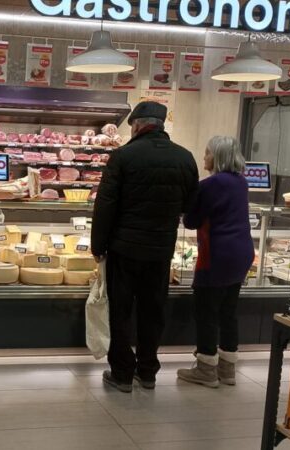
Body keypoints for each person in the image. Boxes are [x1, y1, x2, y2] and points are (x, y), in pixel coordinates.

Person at [91, 101, 199, 393]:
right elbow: (190, 205)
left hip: (124, 249)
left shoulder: (123, 156)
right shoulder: (185, 157)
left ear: (137, 125)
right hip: (161, 249)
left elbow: (106, 205)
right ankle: (148, 372)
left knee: (121, 312)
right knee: (153, 311)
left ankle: (122, 374)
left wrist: (98, 246)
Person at [177, 136, 254, 388]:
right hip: (242, 252)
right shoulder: (241, 182)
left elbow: (191, 221)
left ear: (218, 156)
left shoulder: (210, 184)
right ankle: (227, 369)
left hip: (217, 254)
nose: (204, 157)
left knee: (206, 312)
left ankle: (206, 369)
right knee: (228, 312)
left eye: (208, 153)